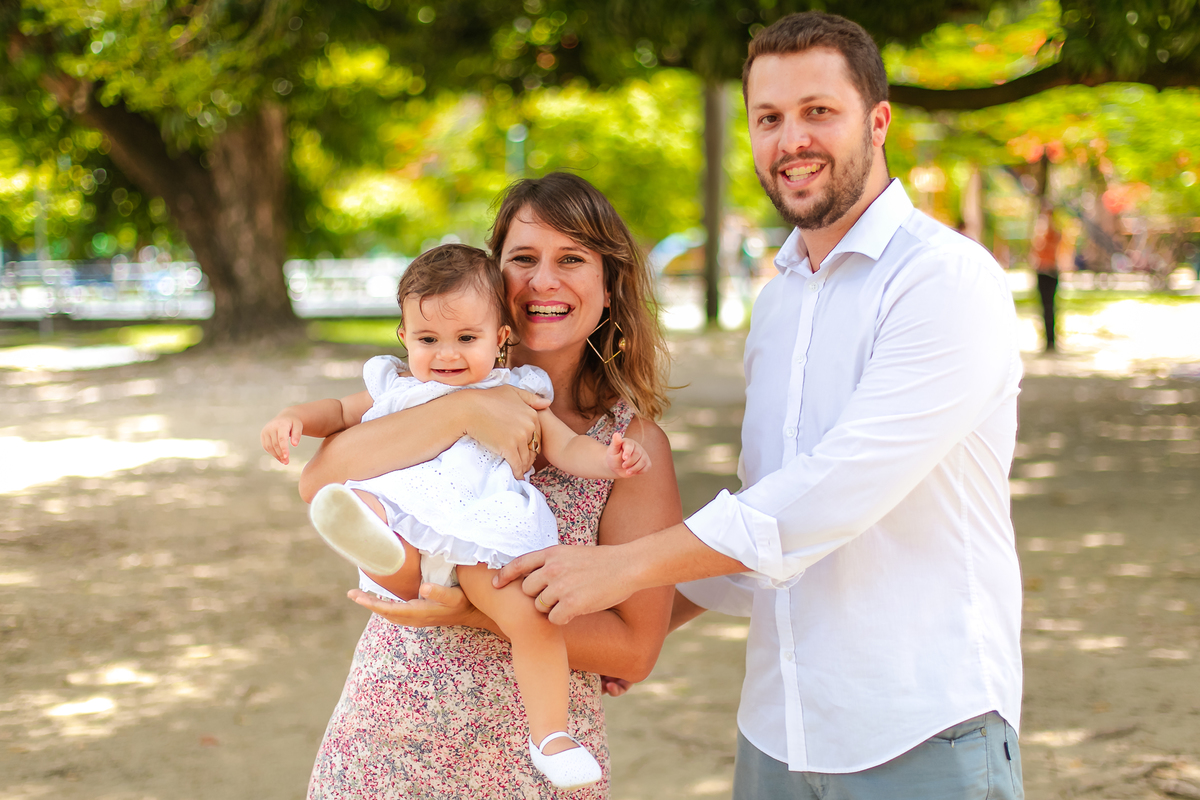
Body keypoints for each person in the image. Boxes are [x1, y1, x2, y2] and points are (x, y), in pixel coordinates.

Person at [496, 12, 1025, 800]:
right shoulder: (780, 302)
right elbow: (765, 510)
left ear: (878, 121)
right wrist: (644, 621)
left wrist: (622, 569)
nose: (791, 140)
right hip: (779, 729)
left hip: (919, 725)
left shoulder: (943, 280)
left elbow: (831, 496)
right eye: (769, 118)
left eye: (819, 111)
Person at [299, 172, 680, 798]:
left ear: (610, 286)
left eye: (572, 259)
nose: (544, 281)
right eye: (523, 259)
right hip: (383, 745)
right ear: (493, 276)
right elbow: (318, 482)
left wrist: (471, 611)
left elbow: (634, 650)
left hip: (526, 770)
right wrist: (465, 410)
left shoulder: (628, 446)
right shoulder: (425, 388)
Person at [1032, 203, 1062, 352]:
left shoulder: (1053, 233)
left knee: (1050, 308)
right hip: (1041, 271)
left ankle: (1051, 340)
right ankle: (1046, 339)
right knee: (1043, 308)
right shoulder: (1038, 233)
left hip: (1050, 272)